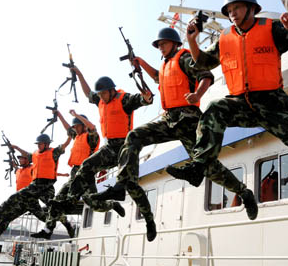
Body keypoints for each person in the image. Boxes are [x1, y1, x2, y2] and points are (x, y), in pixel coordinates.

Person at [166, 0, 288, 209]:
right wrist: (192, 41)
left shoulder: (270, 28)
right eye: (229, 10)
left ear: (251, 8)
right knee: (214, 109)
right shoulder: (224, 38)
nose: (232, 13)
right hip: (240, 104)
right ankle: (198, 167)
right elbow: (203, 63)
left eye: (237, 7)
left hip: (272, 104)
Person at [90, 27, 258, 242]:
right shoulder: (165, 64)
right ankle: (123, 184)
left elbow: (206, 75)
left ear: (174, 43)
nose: (160, 47)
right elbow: (157, 78)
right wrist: (140, 62)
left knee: (207, 167)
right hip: (169, 121)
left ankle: (244, 193)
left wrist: (197, 94)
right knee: (134, 136)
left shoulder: (184, 57)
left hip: (187, 120)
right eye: (158, 45)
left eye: (163, 43)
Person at [48, 70, 152, 230]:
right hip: (110, 147)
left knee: (131, 186)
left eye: (104, 93)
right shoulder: (101, 100)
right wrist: (79, 74)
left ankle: (149, 220)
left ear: (112, 90)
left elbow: (142, 99)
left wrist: (146, 97)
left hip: (126, 146)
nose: (101, 97)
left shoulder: (123, 99)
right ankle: (70, 199)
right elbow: (88, 93)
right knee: (86, 166)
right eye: (100, 94)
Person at [31, 109, 125, 239]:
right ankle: (47, 230)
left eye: (77, 126)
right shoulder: (77, 136)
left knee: (92, 202)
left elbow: (93, 128)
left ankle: (112, 204)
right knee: (56, 200)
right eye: (74, 127)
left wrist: (76, 115)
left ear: (83, 126)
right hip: (74, 173)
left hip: (86, 174)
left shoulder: (90, 137)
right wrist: (60, 114)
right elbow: (67, 128)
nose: (74, 129)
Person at [0, 134, 74, 246]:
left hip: (43, 187)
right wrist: (15, 147)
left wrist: (70, 135)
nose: (38, 146)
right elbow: (26, 155)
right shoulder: (30, 161)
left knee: (52, 208)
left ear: (46, 144)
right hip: (29, 196)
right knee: (8, 217)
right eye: (38, 144)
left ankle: (66, 224)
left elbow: (64, 146)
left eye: (40, 144)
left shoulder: (51, 154)